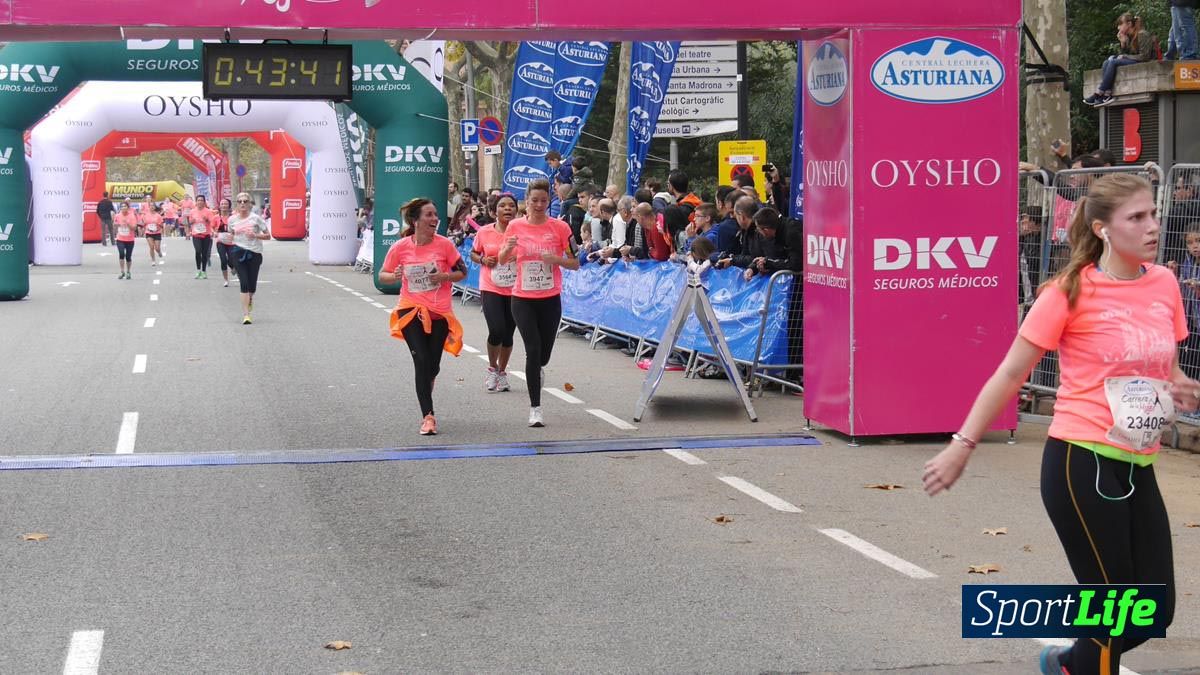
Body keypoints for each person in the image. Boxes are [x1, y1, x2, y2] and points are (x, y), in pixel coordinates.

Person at [922, 174, 1193, 675]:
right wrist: (962, 444)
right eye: (1136, 217)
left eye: (1153, 213)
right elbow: (1009, 374)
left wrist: (1180, 383)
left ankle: (1066, 661)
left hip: (1139, 463)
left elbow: (1163, 362)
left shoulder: (1164, 283)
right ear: (1102, 229)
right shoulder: (1067, 291)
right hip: (1081, 462)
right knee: (1112, 609)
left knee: (1153, 611)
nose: (1152, 226)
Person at [379, 198, 467, 435]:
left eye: (435, 215)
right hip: (411, 309)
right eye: (429, 215)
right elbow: (383, 275)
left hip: (439, 312)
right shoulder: (400, 247)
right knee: (421, 361)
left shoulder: (445, 245)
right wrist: (395, 275)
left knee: (433, 365)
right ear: (415, 220)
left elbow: (462, 272)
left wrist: (445, 277)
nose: (435, 219)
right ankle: (428, 416)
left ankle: (428, 384)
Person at [498, 178, 579, 427]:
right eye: (534, 200)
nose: (539, 205)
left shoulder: (561, 228)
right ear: (527, 201)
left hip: (550, 298)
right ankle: (535, 408)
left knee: (543, 355)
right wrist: (508, 249)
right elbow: (502, 260)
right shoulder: (514, 226)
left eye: (544, 200)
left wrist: (555, 259)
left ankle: (539, 368)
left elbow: (575, 262)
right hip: (522, 298)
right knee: (532, 350)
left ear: (549, 201)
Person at [471, 193, 520, 393]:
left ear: (517, 210)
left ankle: (501, 371)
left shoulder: (522, 231)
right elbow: (474, 253)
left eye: (511, 206)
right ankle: (492, 368)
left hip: (516, 288)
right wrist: (483, 260)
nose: (508, 209)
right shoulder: (484, 232)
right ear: (494, 211)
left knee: (508, 334)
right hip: (491, 286)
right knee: (496, 330)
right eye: (503, 206)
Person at [1084, 13, 1157, 106]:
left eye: (1120, 24)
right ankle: (1107, 94)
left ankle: (1100, 92)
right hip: (1136, 60)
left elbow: (1145, 56)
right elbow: (1125, 54)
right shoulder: (1130, 36)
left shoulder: (1142, 34)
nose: (1118, 28)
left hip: (1145, 62)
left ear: (1129, 24)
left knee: (1113, 62)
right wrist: (1123, 43)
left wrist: (1126, 56)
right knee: (1107, 62)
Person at [228, 193, 271, 324]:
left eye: (245, 201)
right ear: (237, 204)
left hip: (254, 253)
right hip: (238, 252)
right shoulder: (232, 220)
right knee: (244, 283)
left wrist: (256, 235)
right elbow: (232, 234)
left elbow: (268, 236)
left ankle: (250, 298)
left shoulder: (256, 219)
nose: (242, 203)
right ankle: (246, 315)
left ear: (249, 203)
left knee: (252, 286)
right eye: (239, 201)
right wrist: (229, 238)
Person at [188, 195, 216, 279]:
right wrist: (191, 222)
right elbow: (190, 222)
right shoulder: (192, 211)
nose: (200, 202)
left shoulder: (208, 211)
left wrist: (207, 220)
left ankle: (204, 271)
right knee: (198, 251)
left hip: (206, 234)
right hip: (196, 234)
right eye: (198, 200)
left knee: (204, 253)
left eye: (201, 200)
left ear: (204, 202)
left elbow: (212, 223)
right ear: (196, 202)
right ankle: (198, 270)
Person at [214, 197, 237, 288]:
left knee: (231, 260)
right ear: (219, 206)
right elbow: (212, 228)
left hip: (231, 242)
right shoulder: (216, 217)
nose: (223, 205)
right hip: (220, 241)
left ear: (229, 206)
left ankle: (235, 268)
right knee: (223, 260)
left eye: (225, 204)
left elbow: (238, 227)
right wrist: (214, 233)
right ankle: (226, 280)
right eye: (222, 204)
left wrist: (234, 232)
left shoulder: (233, 217)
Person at [112, 201, 139, 279]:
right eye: (122, 206)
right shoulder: (117, 216)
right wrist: (116, 225)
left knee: (128, 256)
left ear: (128, 208)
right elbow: (115, 226)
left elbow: (134, 228)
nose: (123, 208)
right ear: (120, 208)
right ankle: (122, 271)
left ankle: (128, 271)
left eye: (125, 206)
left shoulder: (132, 216)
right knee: (121, 254)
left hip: (130, 239)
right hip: (120, 238)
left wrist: (128, 224)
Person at [140, 201, 165, 267]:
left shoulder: (158, 215)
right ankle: (153, 260)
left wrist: (159, 225)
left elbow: (162, 225)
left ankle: (159, 252)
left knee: (157, 248)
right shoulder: (145, 215)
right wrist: (142, 229)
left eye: (153, 206)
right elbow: (143, 224)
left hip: (157, 232)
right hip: (149, 232)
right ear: (149, 207)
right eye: (150, 206)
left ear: (155, 207)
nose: (152, 207)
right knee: (151, 247)